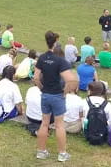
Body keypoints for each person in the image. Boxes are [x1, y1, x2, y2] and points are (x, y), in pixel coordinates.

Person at [34, 30, 77, 162]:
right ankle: (62, 153)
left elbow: (36, 78)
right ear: (56, 41)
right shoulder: (60, 60)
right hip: (57, 95)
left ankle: (41, 151)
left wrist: (42, 89)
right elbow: (71, 80)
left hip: (45, 95)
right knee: (59, 125)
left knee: (44, 123)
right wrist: (65, 91)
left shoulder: (42, 58)